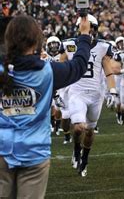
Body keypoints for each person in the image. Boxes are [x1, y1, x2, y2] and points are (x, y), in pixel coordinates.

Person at [0, 15, 91, 198]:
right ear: (36, 41)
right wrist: (84, 35)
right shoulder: (48, 71)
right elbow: (79, 66)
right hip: (34, 151)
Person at [65, 14, 118, 177]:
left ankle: (85, 158)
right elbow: (61, 68)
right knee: (79, 126)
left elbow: (108, 70)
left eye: (93, 28)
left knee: (89, 131)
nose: (90, 31)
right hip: (77, 92)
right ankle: (76, 149)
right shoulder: (69, 45)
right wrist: (58, 92)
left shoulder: (102, 47)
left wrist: (113, 91)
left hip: (96, 95)